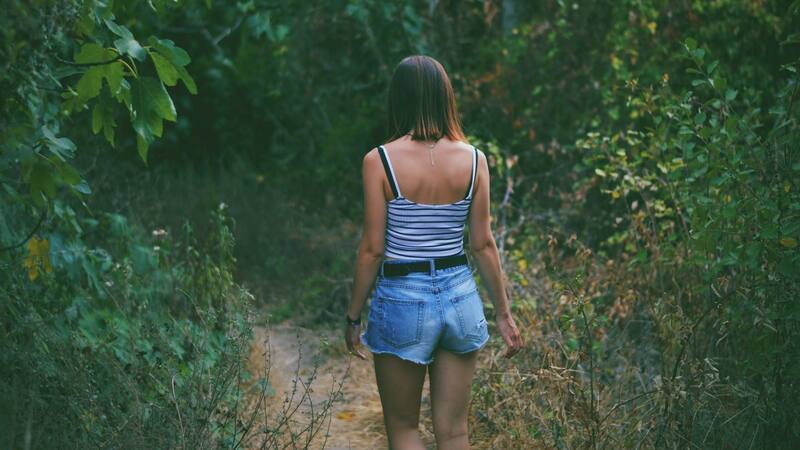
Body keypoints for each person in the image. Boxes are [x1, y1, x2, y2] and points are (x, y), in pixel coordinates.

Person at [344, 55, 523, 450]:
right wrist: (504, 315)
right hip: (461, 298)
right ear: (446, 97)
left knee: (405, 428)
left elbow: (372, 249)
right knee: (455, 431)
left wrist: (353, 316)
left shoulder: (379, 161)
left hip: (403, 299)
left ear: (399, 99)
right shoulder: (476, 160)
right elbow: (482, 244)